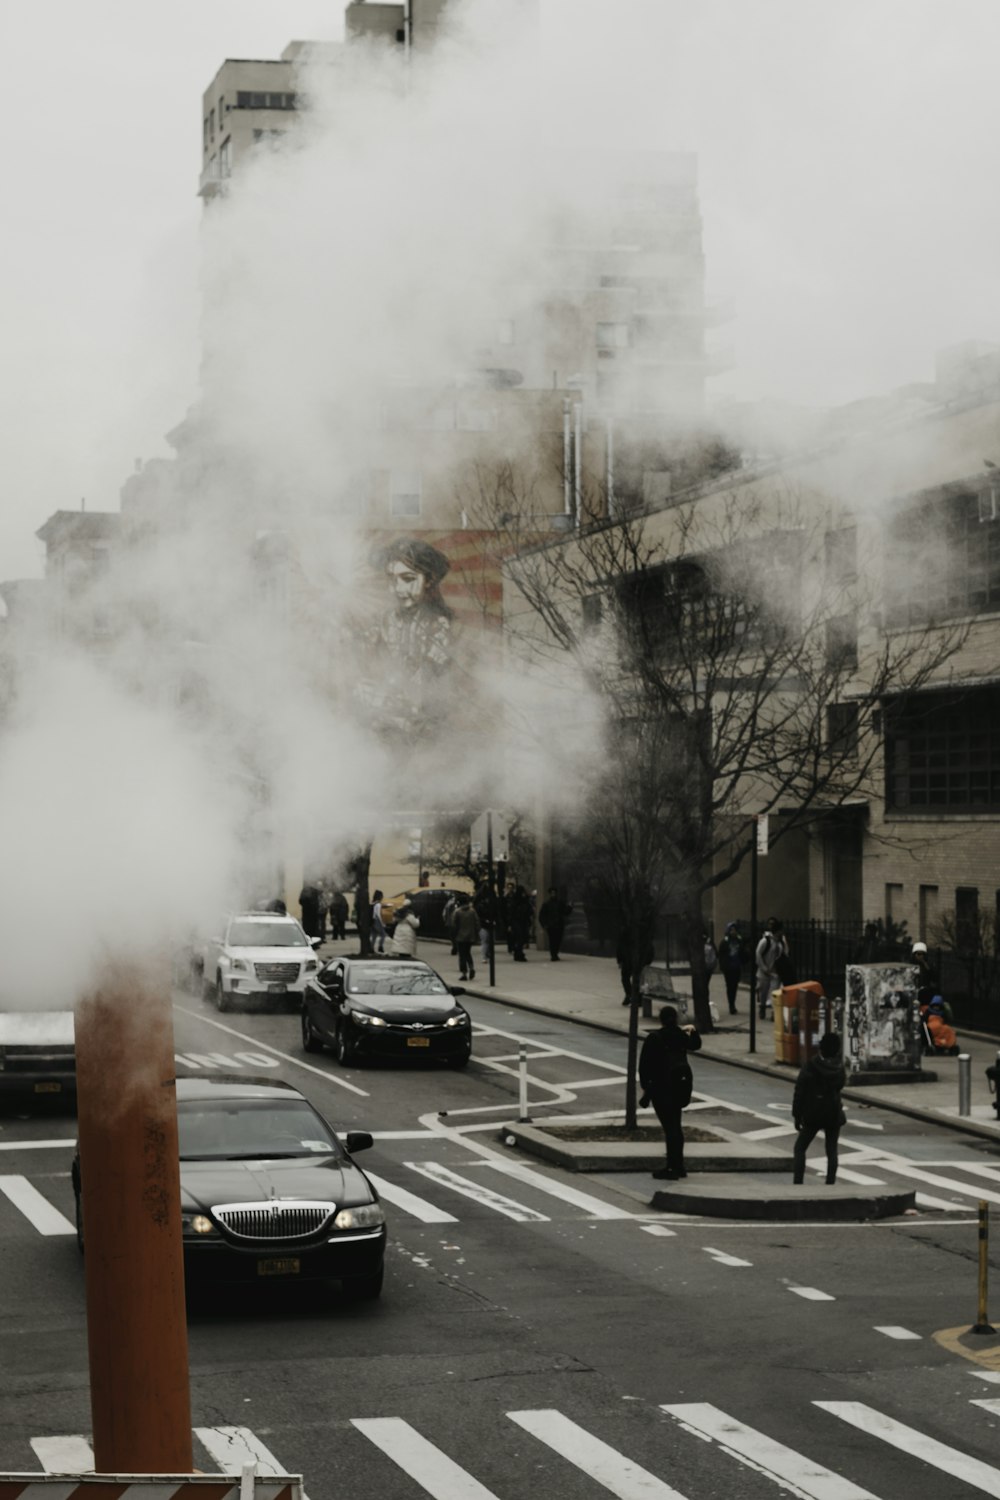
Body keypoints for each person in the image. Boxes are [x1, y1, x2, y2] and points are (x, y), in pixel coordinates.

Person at [638, 1005, 702, 1180]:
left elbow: (645, 1065)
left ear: (661, 1019)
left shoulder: (655, 1038)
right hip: (679, 1086)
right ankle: (679, 1166)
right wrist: (693, 1030)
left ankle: (672, 1167)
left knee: (670, 1128)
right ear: (676, 1019)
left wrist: (646, 1088)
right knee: (676, 1126)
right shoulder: (681, 1036)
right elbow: (696, 1045)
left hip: (662, 1087)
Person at [793, 1031, 846, 1185]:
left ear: (821, 1048)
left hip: (813, 1113)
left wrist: (797, 1114)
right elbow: (840, 1085)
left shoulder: (811, 1065)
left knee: (800, 1148)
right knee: (831, 1150)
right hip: (832, 1113)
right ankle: (830, 1183)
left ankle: (798, 1183)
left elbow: (799, 1091)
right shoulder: (839, 1068)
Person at [756, 919, 790, 1019]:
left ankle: (773, 1012)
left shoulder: (781, 942)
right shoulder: (765, 941)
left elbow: (785, 953)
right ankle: (762, 1007)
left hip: (776, 972)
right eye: (780, 931)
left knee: (775, 993)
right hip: (764, 971)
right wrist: (764, 967)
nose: (782, 933)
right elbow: (758, 954)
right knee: (763, 992)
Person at [718, 921, 745, 1015]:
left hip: (736, 966)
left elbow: (743, 952)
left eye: (734, 930)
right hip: (728, 967)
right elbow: (721, 955)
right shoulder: (725, 942)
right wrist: (722, 966)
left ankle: (733, 1003)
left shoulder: (739, 940)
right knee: (730, 986)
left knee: (734, 986)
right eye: (731, 930)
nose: (733, 932)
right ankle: (731, 1005)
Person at [538, 887, 572, 961]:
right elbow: (542, 915)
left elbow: (565, 912)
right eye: (552, 893)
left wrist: (569, 907)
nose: (553, 894)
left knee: (558, 940)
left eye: (554, 893)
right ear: (550, 894)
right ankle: (553, 954)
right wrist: (544, 924)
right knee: (552, 940)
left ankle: (555, 953)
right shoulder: (546, 904)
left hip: (559, 925)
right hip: (551, 926)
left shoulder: (560, 903)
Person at [452, 894, 479, 981]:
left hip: (460, 936)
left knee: (462, 955)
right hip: (470, 936)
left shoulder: (457, 912)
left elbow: (454, 925)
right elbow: (477, 923)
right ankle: (471, 967)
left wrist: (454, 935)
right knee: (468, 953)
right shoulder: (472, 911)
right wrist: (475, 933)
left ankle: (464, 973)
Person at [507, 884, 534, 962]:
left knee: (521, 938)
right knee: (519, 938)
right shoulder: (516, 901)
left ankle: (518, 953)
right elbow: (511, 913)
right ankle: (518, 953)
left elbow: (529, 911)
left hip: (522, 921)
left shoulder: (524, 901)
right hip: (517, 922)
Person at [371, 890, 388, 954]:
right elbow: (378, 914)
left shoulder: (373, 903)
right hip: (377, 921)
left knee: (374, 936)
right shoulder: (378, 905)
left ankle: (371, 948)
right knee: (383, 935)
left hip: (373, 921)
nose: (383, 897)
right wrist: (382, 923)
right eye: (382, 895)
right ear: (380, 896)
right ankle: (380, 947)